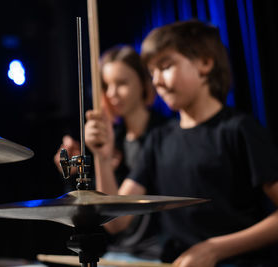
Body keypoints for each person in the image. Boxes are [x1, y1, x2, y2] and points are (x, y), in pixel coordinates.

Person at [85, 20, 278, 267]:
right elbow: (116, 221)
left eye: (165, 67)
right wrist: (101, 157)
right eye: (152, 72)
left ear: (205, 63)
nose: (156, 81)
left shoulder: (239, 129)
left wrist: (214, 249)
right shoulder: (159, 139)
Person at [54, 45, 168, 260]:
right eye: (106, 86)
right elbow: (104, 215)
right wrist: (72, 173)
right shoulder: (110, 139)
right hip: (117, 251)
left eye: (122, 83)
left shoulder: (165, 134)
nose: (112, 93)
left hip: (157, 252)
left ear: (144, 83)